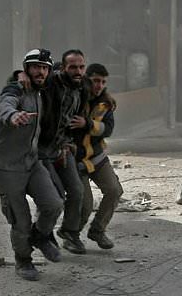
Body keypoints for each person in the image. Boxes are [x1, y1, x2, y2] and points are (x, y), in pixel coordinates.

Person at [0, 48, 63, 281]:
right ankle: (23, 260)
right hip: (7, 167)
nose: (40, 72)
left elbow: (68, 77)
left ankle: (40, 236)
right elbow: (5, 104)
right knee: (19, 219)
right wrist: (13, 116)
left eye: (44, 68)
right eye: (35, 67)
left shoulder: (41, 92)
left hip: (31, 162)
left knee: (53, 204)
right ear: (26, 69)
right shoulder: (17, 88)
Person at [17, 49, 89, 254]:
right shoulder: (51, 83)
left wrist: (73, 137)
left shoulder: (82, 87)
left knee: (76, 191)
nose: (77, 71)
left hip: (62, 148)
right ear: (63, 68)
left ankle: (69, 233)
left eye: (81, 67)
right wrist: (17, 74)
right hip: (43, 150)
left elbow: (76, 118)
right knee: (53, 195)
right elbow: (31, 75)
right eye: (72, 67)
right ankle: (43, 234)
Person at [74, 63, 123, 249]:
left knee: (114, 190)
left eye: (103, 82)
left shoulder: (106, 103)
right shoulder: (74, 98)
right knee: (85, 204)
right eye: (95, 81)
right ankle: (72, 234)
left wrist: (87, 124)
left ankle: (97, 231)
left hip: (97, 157)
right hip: (76, 160)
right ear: (86, 79)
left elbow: (108, 129)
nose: (99, 85)